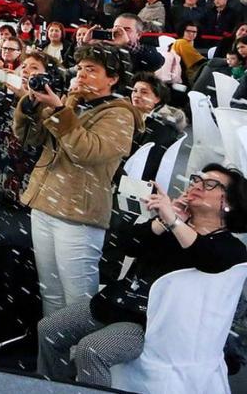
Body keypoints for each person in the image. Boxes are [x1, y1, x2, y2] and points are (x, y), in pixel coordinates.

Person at [38, 164, 247, 387]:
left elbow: (206, 257)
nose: (197, 186)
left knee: (92, 350)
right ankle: (52, 387)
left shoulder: (231, 248)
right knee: (49, 329)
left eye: (210, 184)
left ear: (230, 202)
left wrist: (174, 222)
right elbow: (126, 244)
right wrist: (163, 221)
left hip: (153, 324)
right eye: (196, 180)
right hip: (119, 303)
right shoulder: (172, 227)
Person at [13, 44, 143, 317]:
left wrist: (60, 109)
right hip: (45, 203)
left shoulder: (120, 114)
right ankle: (52, 357)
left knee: (79, 302)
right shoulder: (73, 102)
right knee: (50, 292)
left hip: (79, 215)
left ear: (113, 78)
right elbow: (32, 138)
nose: (82, 75)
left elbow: (86, 151)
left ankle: (81, 358)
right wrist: (32, 105)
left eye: (92, 70)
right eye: (81, 69)